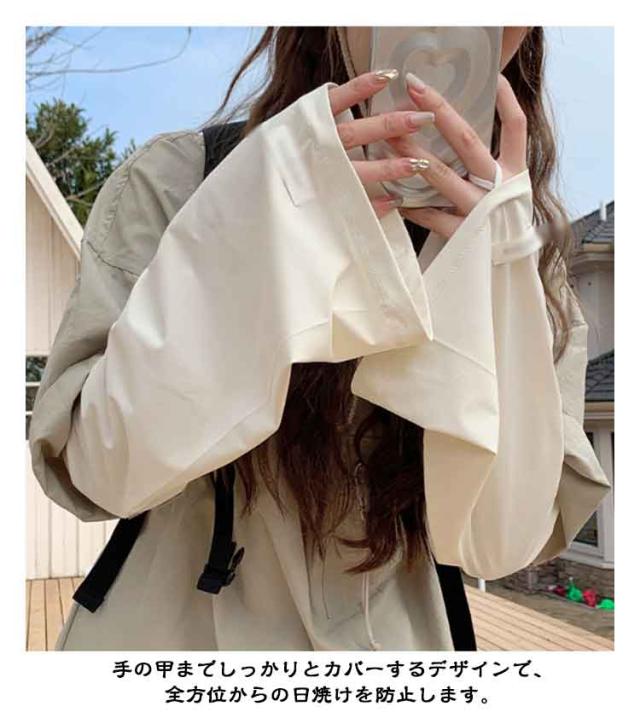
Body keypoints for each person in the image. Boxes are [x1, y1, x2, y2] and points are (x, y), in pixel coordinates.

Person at [28, 27, 611, 651]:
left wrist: (498, 277)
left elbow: (502, 542)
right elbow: (100, 470)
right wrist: (245, 233)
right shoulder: (179, 178)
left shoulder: (527, 241)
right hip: (173, 630)